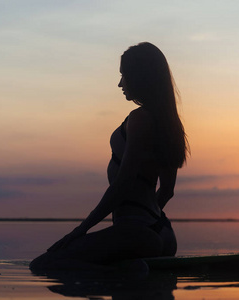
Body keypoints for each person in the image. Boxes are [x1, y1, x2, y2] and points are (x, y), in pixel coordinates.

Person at [30, 42, 189, 271]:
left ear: (140, 76)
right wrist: (148, 222)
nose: (120, 83)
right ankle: (126, 270)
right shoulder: (169, 124)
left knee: (42, 266)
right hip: (164, 233)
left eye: (124, 75)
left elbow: (122, 184)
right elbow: (167, 191)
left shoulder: (139, 119)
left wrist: (81, 229)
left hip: (137, 234)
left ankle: (116, 275)